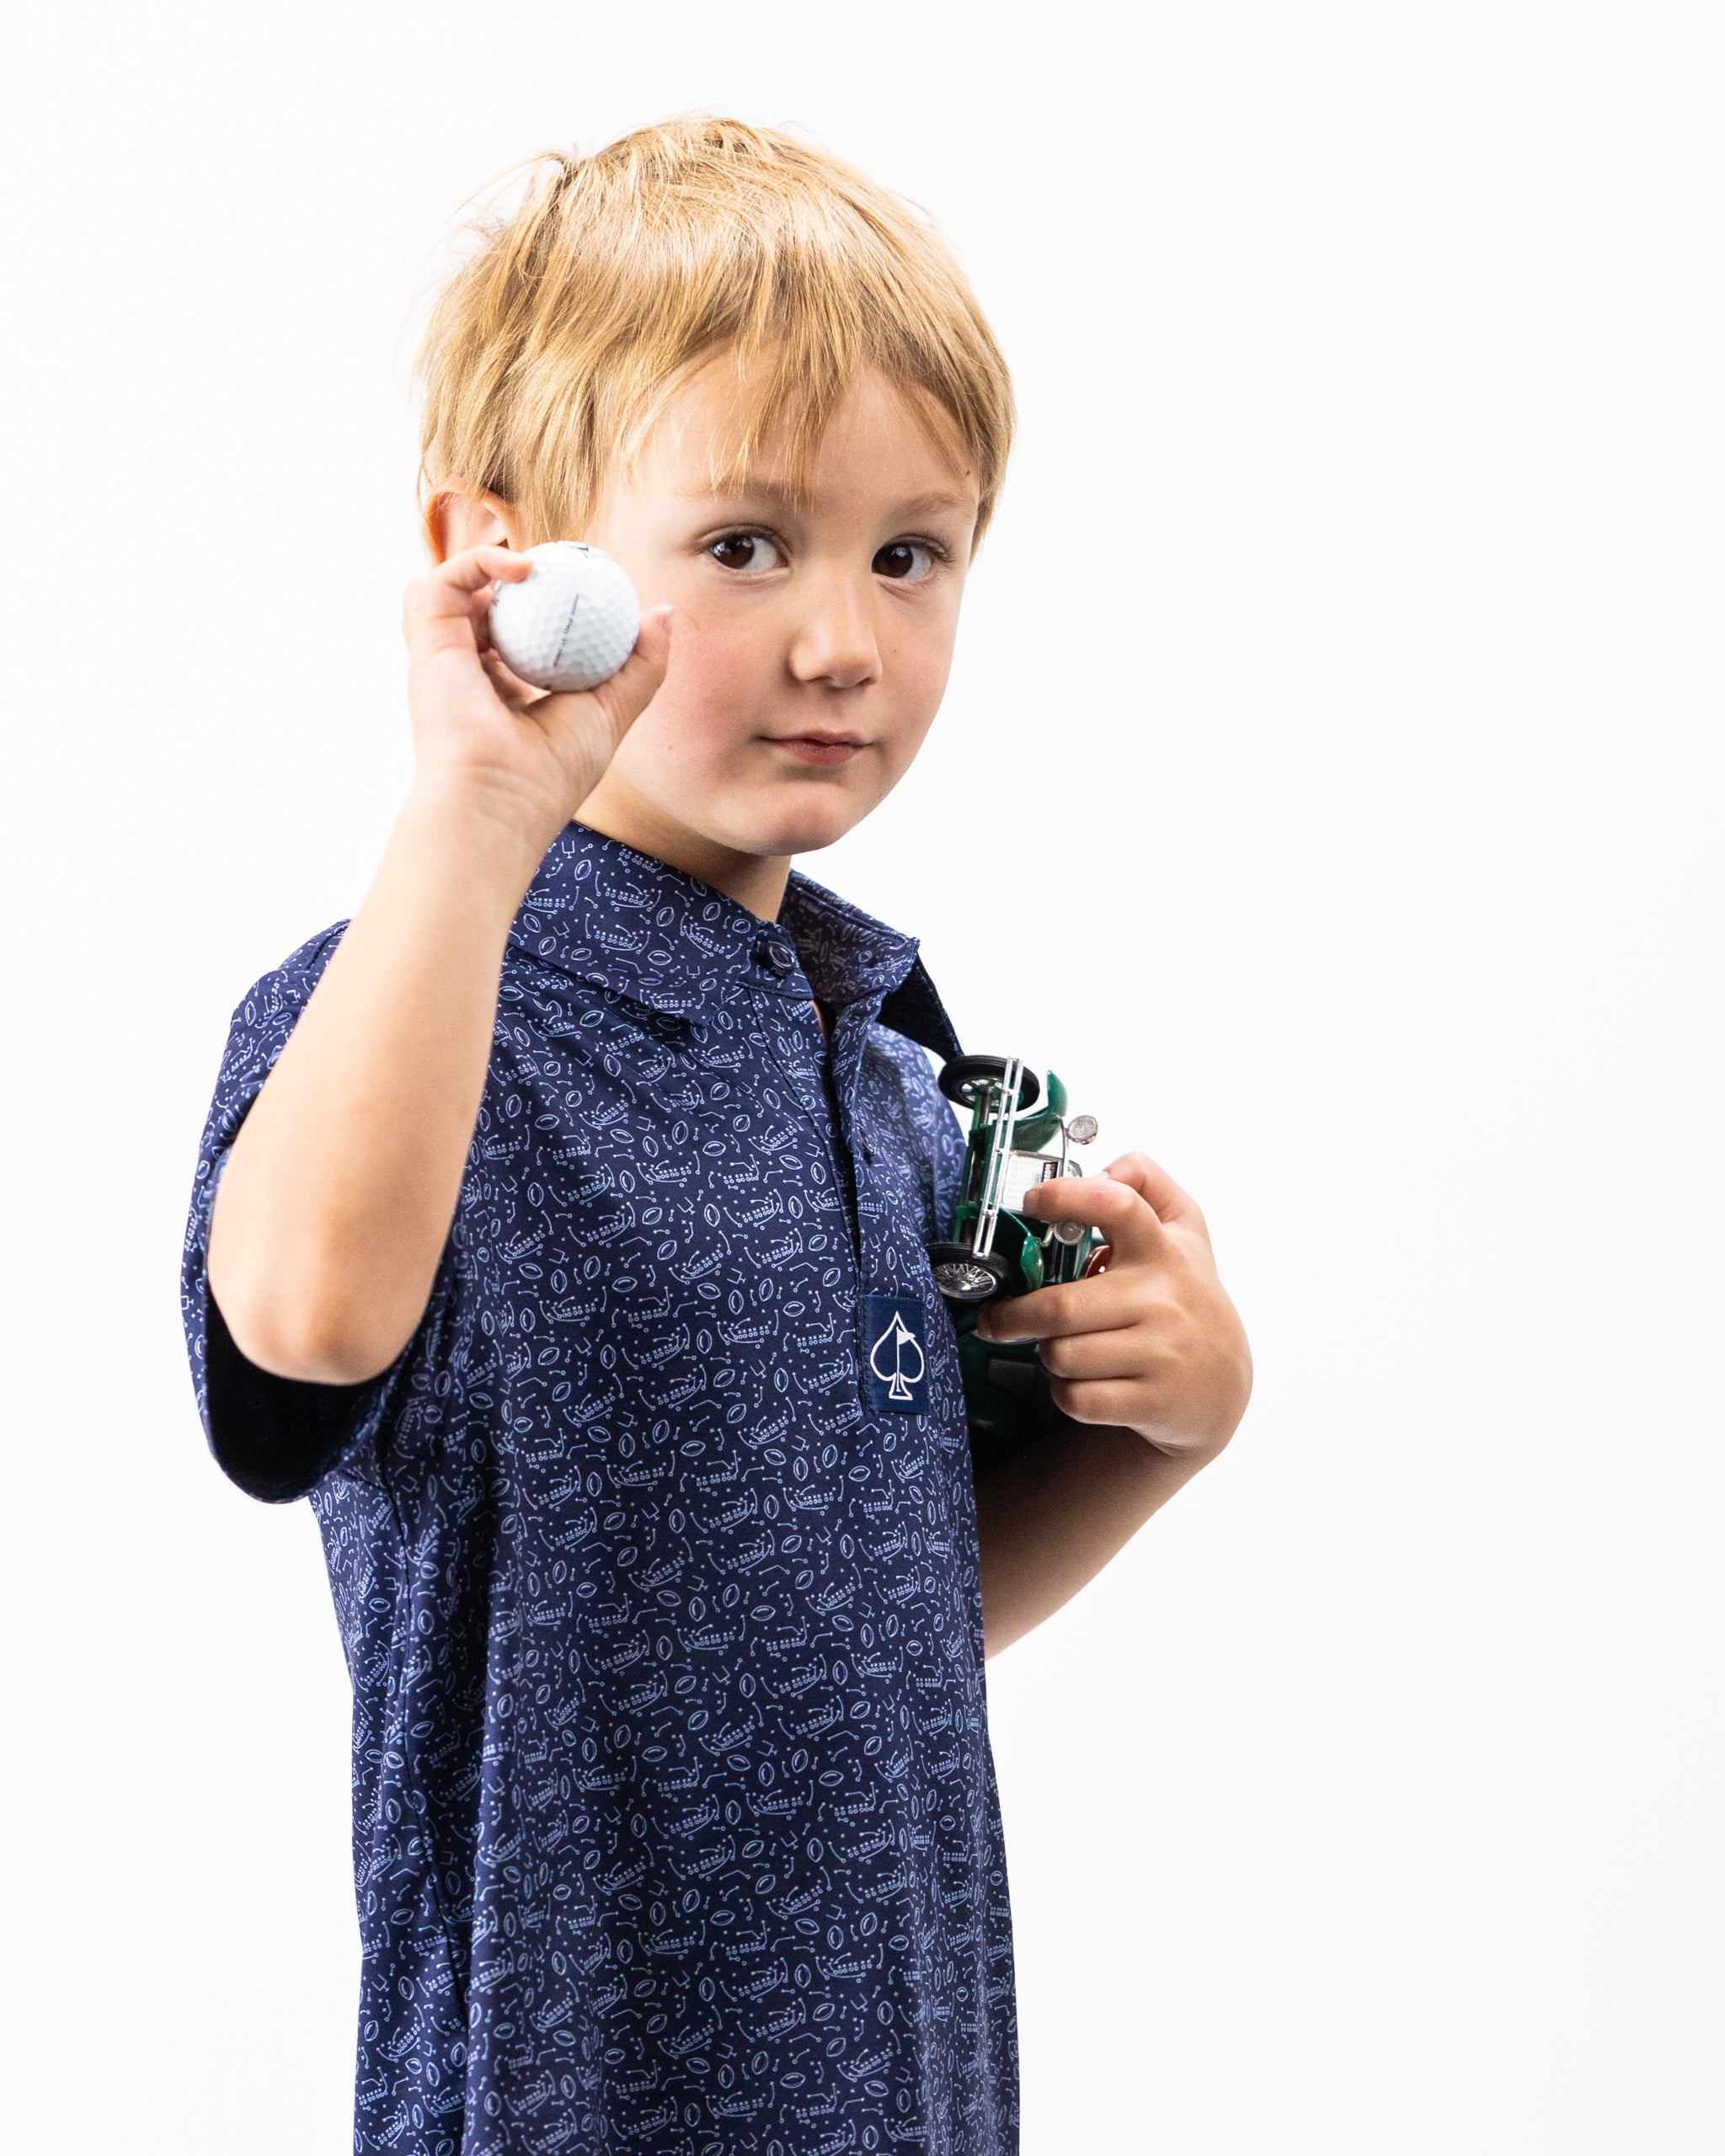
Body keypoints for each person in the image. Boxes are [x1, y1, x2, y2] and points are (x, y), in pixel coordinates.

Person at [182, 115, 1252, 2156]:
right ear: (510, 563)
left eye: (908, 551)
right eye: (746, 544)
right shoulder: (404, 1006)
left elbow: (874, 1603)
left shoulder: (887, 1076)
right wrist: (473, 819)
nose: (841, 638)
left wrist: (1155, 1430)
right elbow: (304, 1325)